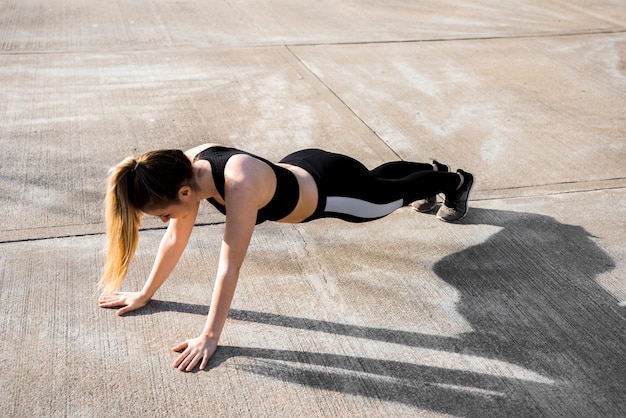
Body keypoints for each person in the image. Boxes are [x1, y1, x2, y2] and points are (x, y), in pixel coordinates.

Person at [98, 143, 474, 372]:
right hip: (308, 163)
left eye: (163, 213)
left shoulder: (238, 185)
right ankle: (432, 172)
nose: (166, 221)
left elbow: (229, 265)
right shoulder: (185, 165)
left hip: (331, 192)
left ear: (183, 193)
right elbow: (174, 240)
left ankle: (454, 181)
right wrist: (144, 294)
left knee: (383, 201)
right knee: (377, 182)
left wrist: (209, 336)